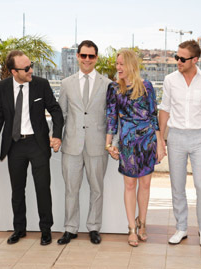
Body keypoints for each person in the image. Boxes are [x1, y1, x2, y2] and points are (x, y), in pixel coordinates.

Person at [0, 50, 64, 246]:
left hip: (38, 144)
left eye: (31, 66)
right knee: (17, 190)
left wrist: (56, 135)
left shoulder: (41, 84)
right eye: (26, 68)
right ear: (14, 71)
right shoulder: (2, 87)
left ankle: (45, 230)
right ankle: (19, 229)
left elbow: (55, 109)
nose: (31, 70)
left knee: (42, 189)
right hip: (15, 145)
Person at [158, 40, 201, 248]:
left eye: (182, 58)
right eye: (176, 57)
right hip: (175, 137)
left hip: (199, 138)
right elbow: (165, 109)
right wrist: (161, 138)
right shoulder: (170, 80)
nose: (178, 61)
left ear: (195, 60)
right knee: (177, 186)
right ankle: (181, 228)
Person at [106, 49, 165, 247]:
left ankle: (143, 223)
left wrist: (160, 144)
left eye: (122, 63)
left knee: (146, 185)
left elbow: (153, 116)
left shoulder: (147, 86)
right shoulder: (114, 88)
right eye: (117, 64)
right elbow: (111, 118)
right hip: (128, 142)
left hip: (148, 141)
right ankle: (131, 228)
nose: (118, 67)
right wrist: (108, 143)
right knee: (130, 185)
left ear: (132, 65)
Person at [57, 40, 111, 245]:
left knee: (97, 189)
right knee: (71, 189)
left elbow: (110, 116)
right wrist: (56, 137)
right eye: (83, 55)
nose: (87, 59)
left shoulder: (107, 85)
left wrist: (111, 142)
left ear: (96, 58)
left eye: (91, 56)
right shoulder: (66, 83)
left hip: (97, 145)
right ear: (78, 56)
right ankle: (70, 228)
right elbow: (60, 114)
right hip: (71, 145)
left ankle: (94, 227)